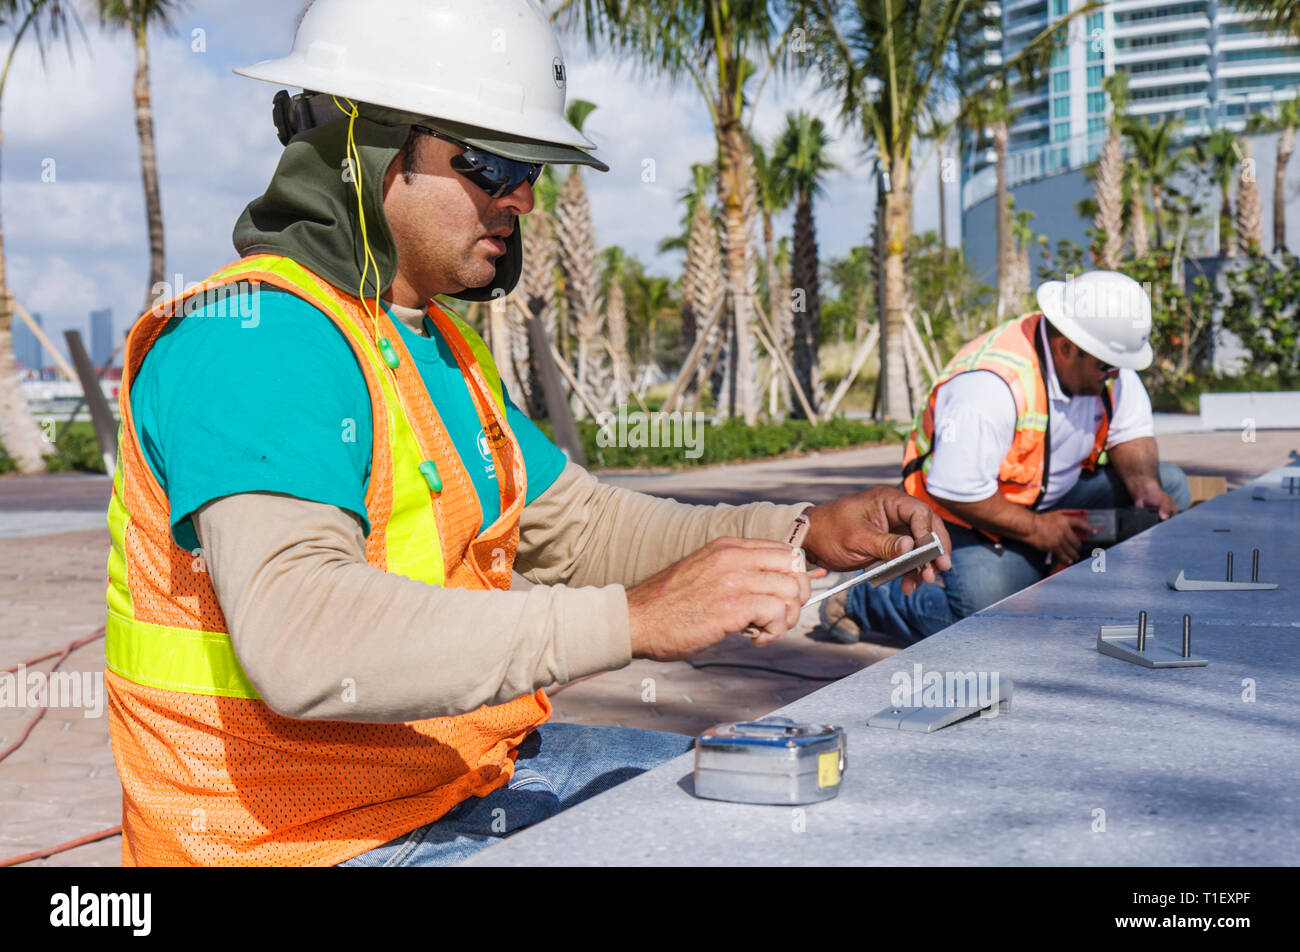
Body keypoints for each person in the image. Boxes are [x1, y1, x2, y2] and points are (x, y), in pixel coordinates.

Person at [103, 0, 950, 867]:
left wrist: (799, 532)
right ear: (369, 146)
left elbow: (579, 529)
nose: (525, 197)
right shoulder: (255, 342)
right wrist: (636, 620)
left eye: (531, 168)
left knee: (824, 811)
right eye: (495, 162)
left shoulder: (429, 344)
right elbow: (302, 636)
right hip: (305, 843)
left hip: (449, 784)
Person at [820, 270, 1189, 645]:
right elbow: (955, 488)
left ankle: (1071, 581)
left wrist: (1146, 487)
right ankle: (865, 596)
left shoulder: (1102, 364)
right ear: (1065, 347)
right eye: (1106, 366)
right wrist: (1036, 530)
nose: (1114, 377)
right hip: (963, 514)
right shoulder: (989, 385)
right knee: (992, 615)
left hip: (1048, 498)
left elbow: (1131, 431)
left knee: (1169, 487)